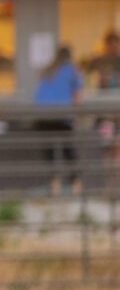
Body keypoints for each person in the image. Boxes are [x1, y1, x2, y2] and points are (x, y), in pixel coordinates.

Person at [32, 45, 83, 196]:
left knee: (50, 152)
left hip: (43, 116)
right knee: (69, 151)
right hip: (62, 115)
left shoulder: (48, 69)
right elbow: (78, 95)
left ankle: (55, 185)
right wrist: (77, 115)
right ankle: (76, 185)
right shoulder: (71, 69)